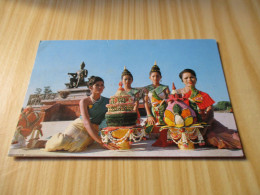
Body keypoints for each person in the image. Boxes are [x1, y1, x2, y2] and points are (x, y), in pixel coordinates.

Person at [45, 76, 118, 152]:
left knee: (76, 147)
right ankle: (48, 141)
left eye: (102, 85)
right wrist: (101, 142)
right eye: (97, 85)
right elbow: (86, 122)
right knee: (61, 142)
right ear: (90, 87)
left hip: (93, 129)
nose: (100, 87)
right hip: (79, 125)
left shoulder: (108, 101)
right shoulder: (84, 101)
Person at [177, 69, 242, 149]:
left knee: (233, 140)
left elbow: (210, 114)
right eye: (186, 78)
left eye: (192, 77)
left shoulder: (204, 95)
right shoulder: (177, 93)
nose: (189, 80)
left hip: (206, 124)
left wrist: (204, 129)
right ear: (182, 80)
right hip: (184, 125)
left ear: (196, 79)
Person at [144, 62, 170, 134]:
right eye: (153, 76)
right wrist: (149, 115)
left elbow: (169, 101)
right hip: (153, 111)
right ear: (150, 77)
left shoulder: (165, 88)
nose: (155, 78)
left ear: (160, 77)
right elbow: (146, 102)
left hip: (164, 111)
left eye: (157, 76)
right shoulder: (147, 88)